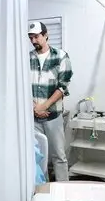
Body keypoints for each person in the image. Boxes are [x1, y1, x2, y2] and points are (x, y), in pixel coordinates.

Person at [28, 21, 73, 181]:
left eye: (36, 36)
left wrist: (44, 106)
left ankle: (63, 189)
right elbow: (21, 85)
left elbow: (63, 86)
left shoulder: (60, 56)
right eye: (30, 37)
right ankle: (42, 188)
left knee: (59, 156)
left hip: (53, 116)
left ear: (46, 35)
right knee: (37, 156)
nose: (33, 40)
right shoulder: (27, 58)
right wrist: (34, 108)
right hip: (33, 117)